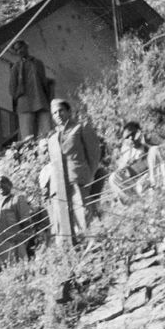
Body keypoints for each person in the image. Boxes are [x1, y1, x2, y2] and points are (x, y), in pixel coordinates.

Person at [47, 99, 103, 231]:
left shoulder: (81, 127)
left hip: (79, 178)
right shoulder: (53, 138)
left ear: (69, 111)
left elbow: (94, 154)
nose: (58, 115)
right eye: (54, 113)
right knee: (69, 222)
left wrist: (89, 176)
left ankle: (93, 240)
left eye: (61, 110)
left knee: (84, 214)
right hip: (61, 183)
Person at [111, 120, 165, 201]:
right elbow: (127, 171)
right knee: (113, 177)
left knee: (153, 150)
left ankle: (157, 189)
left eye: (132, 135)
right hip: (138, 182)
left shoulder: (148, 138)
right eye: (127, 137)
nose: (130, 139)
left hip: (154, 176)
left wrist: (145, 143)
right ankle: (129, 201)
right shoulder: (127, 149)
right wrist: (124, 167)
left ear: (138, 132)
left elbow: (163, 150)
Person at [0, 174, 34, 270]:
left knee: (20, 271)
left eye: (3, 182)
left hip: (14, 244)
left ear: (10, 184)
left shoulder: (18, 199)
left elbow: (26, 222)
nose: (0, 185)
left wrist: (24, 242)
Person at [8, 40, 52, 140]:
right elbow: (12, 89)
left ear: (26, 47)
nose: (19, 51)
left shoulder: (38, 63)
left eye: (20, 47)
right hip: (25, 104)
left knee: (47, 132)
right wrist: (20, 93)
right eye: (16, 50)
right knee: (27, 136)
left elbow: (44, 82)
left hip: (40, 101)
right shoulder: (16, 67)